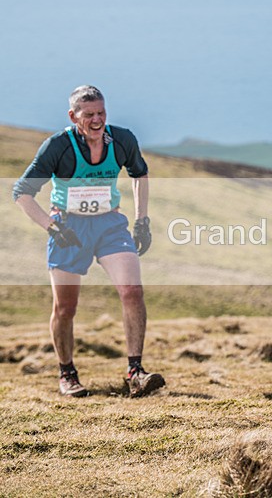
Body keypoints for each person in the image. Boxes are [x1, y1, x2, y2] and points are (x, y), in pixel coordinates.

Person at [13, 85, 165, 398]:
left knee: (132, 291)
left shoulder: (122, 140)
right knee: (66, 308)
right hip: (69, 228)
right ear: (73, 116)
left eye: (101, 113)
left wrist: (142, 221)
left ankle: (135, 372)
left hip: (110, 224)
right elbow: (22, 193)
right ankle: (67, 373)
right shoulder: (58, 146)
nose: (97, 120)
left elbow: (140, 174)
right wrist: (52, 228)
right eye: (89, 114)